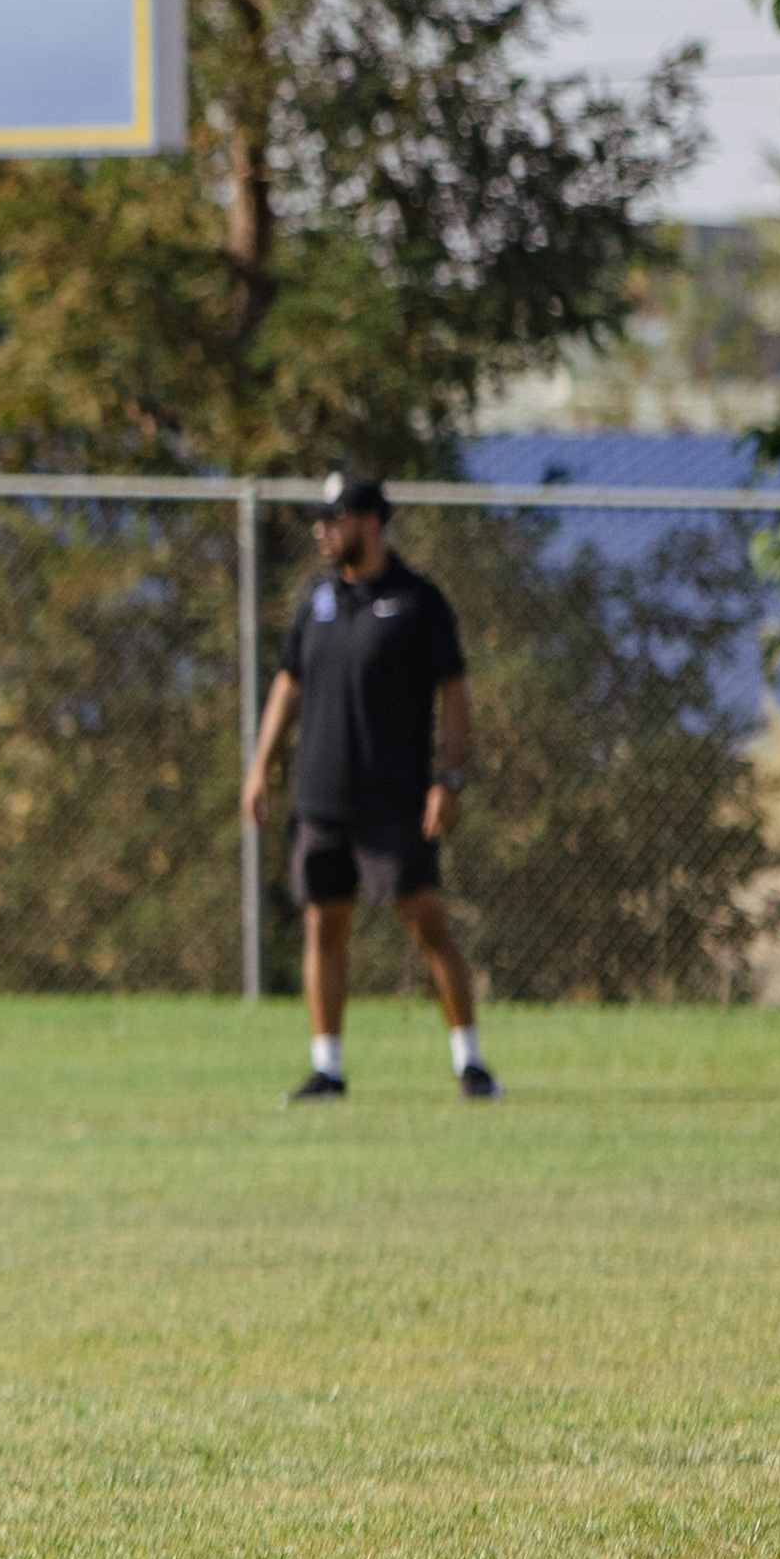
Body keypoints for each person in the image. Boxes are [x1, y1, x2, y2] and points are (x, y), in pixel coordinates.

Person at [241, 469, 487, 1106]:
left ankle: (471, 1064)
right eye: (320, 521)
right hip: (322, 799)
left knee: (427, 924)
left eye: (335, 519)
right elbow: (288, 682)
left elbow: (453, 691)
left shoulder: (417, 601)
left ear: (371, 522)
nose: (322, 532)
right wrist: (260, 765)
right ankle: (327, 1069)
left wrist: (449, 778)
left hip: (394, 801)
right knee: (324, 925)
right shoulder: (316, 599)